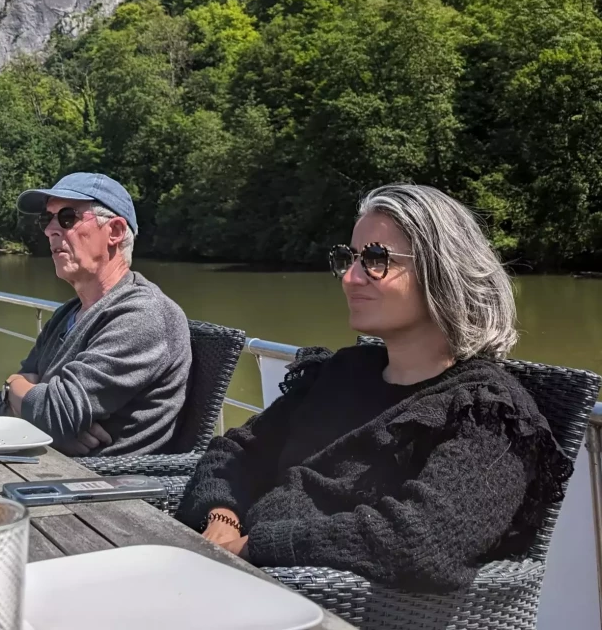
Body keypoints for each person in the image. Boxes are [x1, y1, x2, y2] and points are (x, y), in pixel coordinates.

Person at [177, 184, 572, 594]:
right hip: (234, 583)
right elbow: (236, 451)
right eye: (348, 258)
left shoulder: (488, 414)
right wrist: (221, 518)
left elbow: (421, 542)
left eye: (376, 259)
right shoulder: (341, 374)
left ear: (444, 271)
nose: (350, 278)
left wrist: (253, 547)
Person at [0, 172, 191, 458]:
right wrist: (18, 392)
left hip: (104, 489)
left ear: (115, 231)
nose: (50, 231)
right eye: (47, 219)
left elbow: (53, 413)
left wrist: (16, 388)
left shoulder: (142, 315)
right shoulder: (67, 314)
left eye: (67, 217)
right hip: (51, 468)